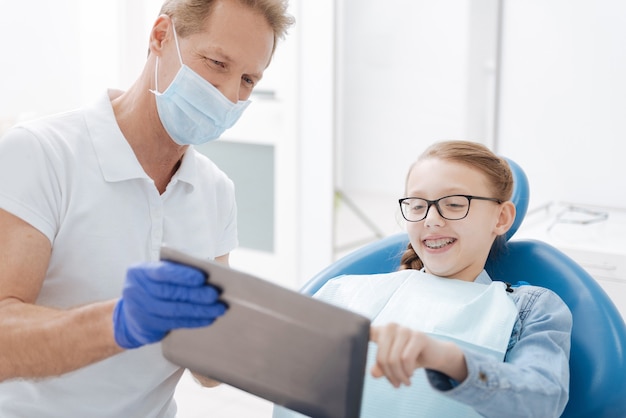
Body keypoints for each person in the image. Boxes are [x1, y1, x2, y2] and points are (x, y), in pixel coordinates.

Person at [0, 0, 294, 416]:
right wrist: (117, 322)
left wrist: (254, 338)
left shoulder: (215, 191)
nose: (229, 96)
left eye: (248, 80)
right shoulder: (41, 154)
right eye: (216, 63)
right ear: (160, 36)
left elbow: (207, 369)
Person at [274, 140, 572, 418]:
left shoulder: (530, 309)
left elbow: (542, 401)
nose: (431, 219)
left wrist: (447, 359)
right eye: (417, 205)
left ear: (502, 218)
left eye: (455, 204)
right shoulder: (344, 291)